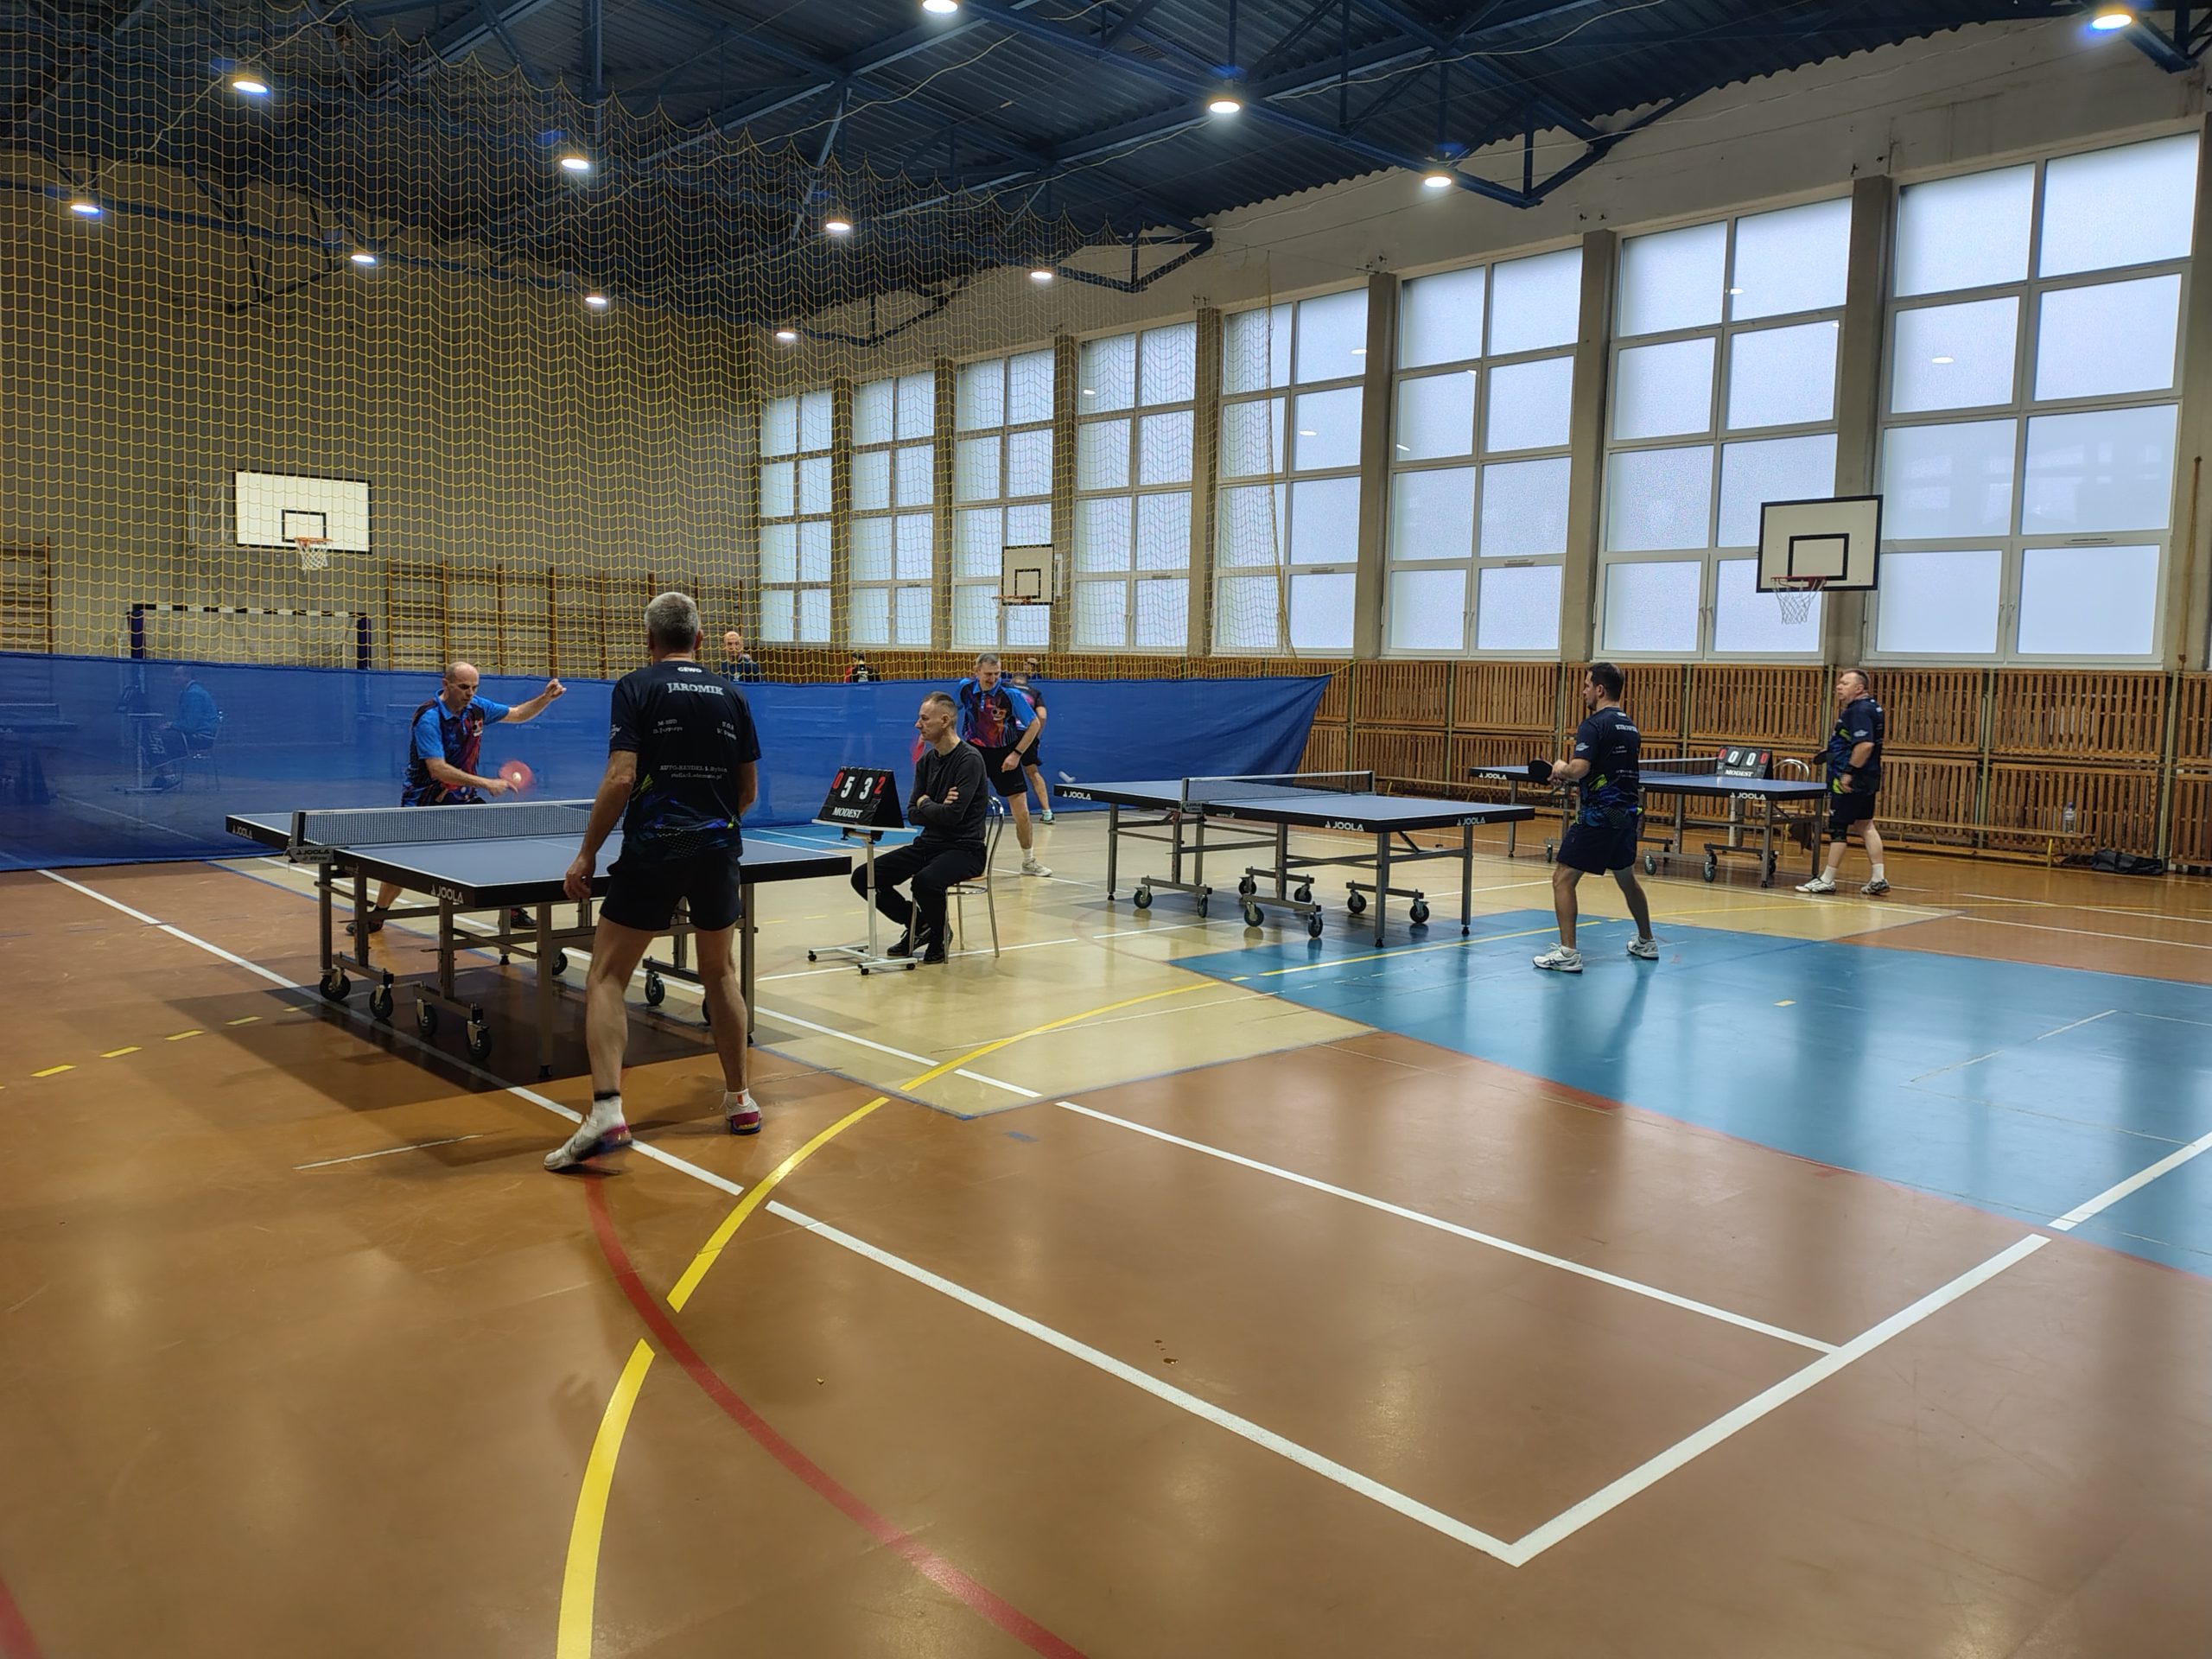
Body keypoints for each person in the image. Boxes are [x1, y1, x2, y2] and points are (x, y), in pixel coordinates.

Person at [548, 592, 764, 1170]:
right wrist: (712, 828)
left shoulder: (636, 687)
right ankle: (741, 1101)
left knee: (606, 975)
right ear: (700, 639)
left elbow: (621, 778)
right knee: (720, 972)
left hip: (655, 848)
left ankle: (607, 1111)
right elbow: (747, 791)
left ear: (649, 641)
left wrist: (586, 854)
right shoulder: (733, 694)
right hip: (717, 849)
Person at [345, 661, 564, 936]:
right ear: (446, 685)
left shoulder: (477, 708)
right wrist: (486, 783)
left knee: (499, 847)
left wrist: (545, 698)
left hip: (463, 798)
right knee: (401, 863)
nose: (470, 693)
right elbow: (437, 769)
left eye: (474, 687)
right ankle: (378, 914)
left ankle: (511, 909)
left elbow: (518, 714)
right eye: (463, 687)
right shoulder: (429, 718)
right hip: (425, 801)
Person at [1533, 662, 1658, 974]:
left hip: (1599, 815)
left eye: (1587, 685)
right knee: (1626, 878)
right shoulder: (1630, 726)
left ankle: (1568, 953)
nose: (1584, 691)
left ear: (1600, 690)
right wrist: (1579, 779)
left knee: (1562, 878)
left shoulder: (1593, 724)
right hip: (1624, 815)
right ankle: (1646, 941)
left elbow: (1580, 768)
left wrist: (1561, 768)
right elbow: (1606, 772)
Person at [851, 691, 987, 966]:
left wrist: (927, 803)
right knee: (864, 877)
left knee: (925, 882)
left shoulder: (969, 760)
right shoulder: (926, 761)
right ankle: (919, 923)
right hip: (928, 844)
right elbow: (913, 813)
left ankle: (939, 937)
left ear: (945, 721)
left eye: (924, 719)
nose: (918, 725)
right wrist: (933, 806)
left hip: (965, 848)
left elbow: (953, 816)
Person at [952, 653, 1050, 876]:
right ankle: (963, 861)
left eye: (996, 674)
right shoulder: (965, 688)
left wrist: (1016, 754)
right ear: (976, 671)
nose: (992, 678)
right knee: (966, 808)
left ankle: (1029, 861)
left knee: (1022, 811)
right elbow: (950, 711)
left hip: (1005, 753)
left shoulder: (1010, 694)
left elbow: (1034, 724)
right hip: (974, 753)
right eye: (988, 674)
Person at [1799, 668, 1888, 897]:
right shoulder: (1872, 707)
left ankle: (1827, 879)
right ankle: (1878, 878)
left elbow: (1865, 745)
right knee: (1865, 825)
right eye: (1839, 683)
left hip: (1850, 779)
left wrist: (1848, 772)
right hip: (1869, 776)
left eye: (1845, 683)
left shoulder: (1858, 711)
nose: (1839, 686)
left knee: (1838, 827)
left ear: (1859, 688)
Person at [142, 665, 220, 791]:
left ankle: (168, 775)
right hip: (196, 733)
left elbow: (190, 725)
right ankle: (164, 775)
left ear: (187, 676)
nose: (173, 678)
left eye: (177, 675)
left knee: (155, 737)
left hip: (201, 737)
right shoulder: (189, 692)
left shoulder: (194, 694)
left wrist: (172, 725)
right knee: (156, 734)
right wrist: (172, 725)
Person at [1007, 658, 1054, 824]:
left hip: (1007, 734)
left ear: (1012, 680)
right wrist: (1036, 736)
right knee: (1033, 772)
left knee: (993, 770)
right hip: (1028, 734)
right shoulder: (1034, 692)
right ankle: (1047, 813)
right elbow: (1042, 716)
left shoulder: (1006, 689)